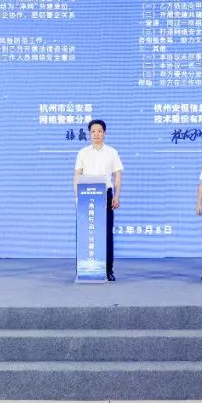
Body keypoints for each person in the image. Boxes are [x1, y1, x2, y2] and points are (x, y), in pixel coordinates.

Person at [73, 119, 123, 281]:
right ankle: (83, 269)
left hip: (105, 195)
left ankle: (108, 270)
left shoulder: (112, 152)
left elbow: (117, 176)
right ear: (89, 134)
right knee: (85, 232)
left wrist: (116, 195)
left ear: (104, 133)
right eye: (93, 131)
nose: (96, 134)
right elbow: (77, 176)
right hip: (85, 196)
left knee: (107, 233)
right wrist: (77, 197)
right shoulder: (82, 152)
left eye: (99, 131)